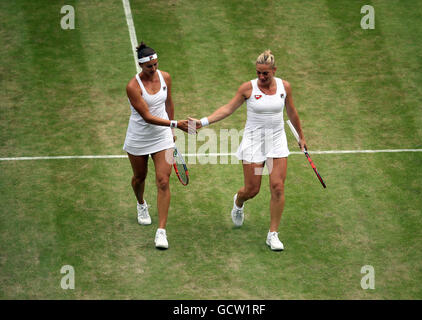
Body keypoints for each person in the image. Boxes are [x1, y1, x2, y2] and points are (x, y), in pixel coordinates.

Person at [190, 50, 307, 251]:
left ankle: (273, 234)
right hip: (253, 142)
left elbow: (292, 112)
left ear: (274, 70)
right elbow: (227, 109)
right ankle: (238, 201)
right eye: (258, 73)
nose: (261, 77)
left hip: (277, 141)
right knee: (252, 190)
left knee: (278, 187)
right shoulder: (248, 88)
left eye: (265, 74)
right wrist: (202, 122)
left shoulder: (284, 87)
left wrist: (302, 137)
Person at [123, 42, 189, 250]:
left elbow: (168, 103)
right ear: (141, 66)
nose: (154, 69)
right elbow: (148, 117)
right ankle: (141, 204)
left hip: (162, 136)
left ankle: (161, 231)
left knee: (162, 181)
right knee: (139, 178)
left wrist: (170, 129)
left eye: (156, 64)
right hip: (139, 137)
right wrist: (175, 124)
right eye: (149, 66)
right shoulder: (133, 87)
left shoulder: (165, 77)